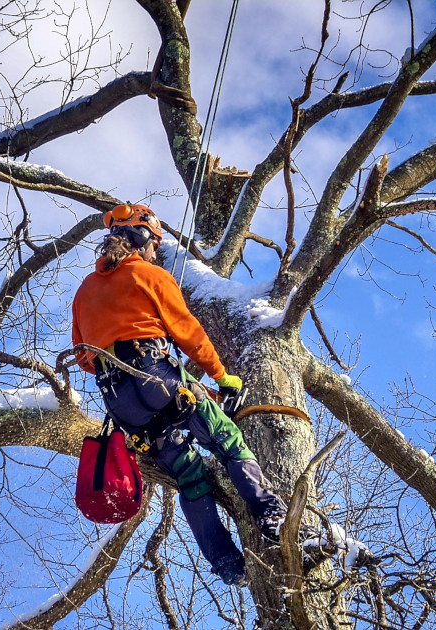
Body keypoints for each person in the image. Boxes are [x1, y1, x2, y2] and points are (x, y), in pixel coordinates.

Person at [71, 203, 286, 586]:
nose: (156, 252)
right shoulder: (150, 275)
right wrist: (222, 377)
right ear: (141, 239)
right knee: (226, 438)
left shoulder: (84, 292)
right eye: (154, 243)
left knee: (190, 475)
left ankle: (226, 563)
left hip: (120, 403)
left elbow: (83, 357)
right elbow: (189, 333)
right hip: (156, 375)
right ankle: (271, 515)